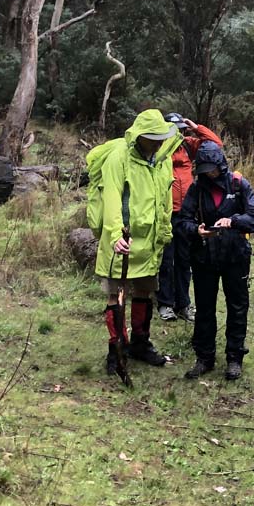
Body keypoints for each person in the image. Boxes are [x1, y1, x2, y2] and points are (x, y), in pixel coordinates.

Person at [90, 109, 181, 375]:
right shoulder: (119, 158)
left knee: (144, 291)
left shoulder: (162, 159)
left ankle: (140, 344)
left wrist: (164, 232)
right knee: (115, 294)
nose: (159, 143)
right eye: (154, 138)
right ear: (140, 135)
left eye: (161, 138)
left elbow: (165, 198)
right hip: (122, 241)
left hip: (149, 243)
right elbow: (112, 198)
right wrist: (115, 235)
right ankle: (116, 348)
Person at [178, 141, 254, 381]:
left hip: (235, 256)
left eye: (212, 169)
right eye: (204, 170)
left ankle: (234, 358)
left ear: (220, 164)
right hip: (204, 256)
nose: (209, 174)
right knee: (205, 307)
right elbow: (182, 221)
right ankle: (204, 358)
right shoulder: (196, 189)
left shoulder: (238, 184)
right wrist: (196, 230)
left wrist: (234, 221)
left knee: (237, 306)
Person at [156, 113, 222, 323]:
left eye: (181, 129)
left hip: (187, 214)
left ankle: (183, 304)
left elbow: (215, 146)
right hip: (165, 213)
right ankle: (165, 303)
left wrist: (196, 128)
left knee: (185, 260)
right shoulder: (158, 148)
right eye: (174, 129)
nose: (178, 133)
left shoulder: (188, 145)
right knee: (166, 260)